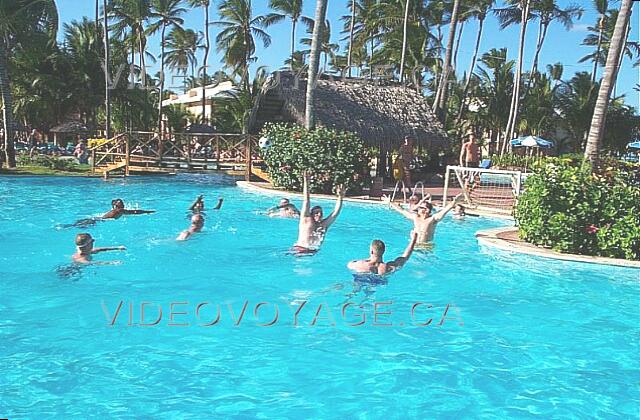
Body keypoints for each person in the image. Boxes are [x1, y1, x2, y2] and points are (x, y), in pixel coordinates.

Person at [292, 172, 345, 255]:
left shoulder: (324, 224)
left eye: (320, 213)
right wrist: (306, 182)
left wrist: (340, 197)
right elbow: (306, 200)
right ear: (311, 214)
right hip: (300, 250)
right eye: (316, 213)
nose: (319, 214)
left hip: (313, 252)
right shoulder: (306, 220)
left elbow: (335, 213)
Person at [392, 194, 464, 245]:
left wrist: (454, 202)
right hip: (415, 244)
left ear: (427, 210)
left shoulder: (433, 219)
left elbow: (445, 210)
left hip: (426, 246)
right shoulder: (415, 217)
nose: (419, 209)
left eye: (421, 207)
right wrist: (390, 203)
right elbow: (402, 211)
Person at [348, 231, 418, 275]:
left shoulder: (360, 264)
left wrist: (367, 260)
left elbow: (349, 265)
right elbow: (405, 257)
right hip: (380, 283)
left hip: (361, 280)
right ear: (384, 251)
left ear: (371, 251)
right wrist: (413, 240)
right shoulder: (389, 267)